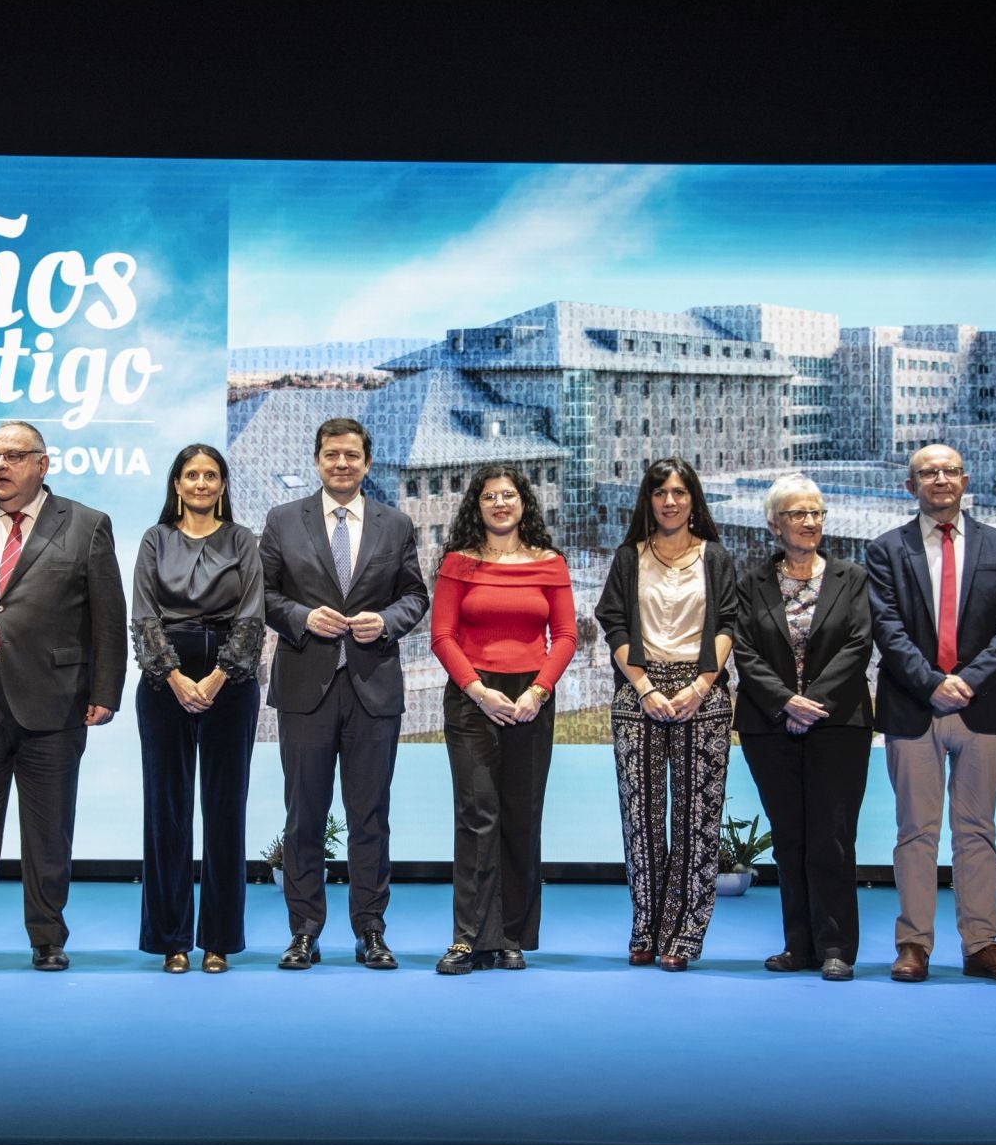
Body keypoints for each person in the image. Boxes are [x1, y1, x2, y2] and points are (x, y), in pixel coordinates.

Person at [0, 420, 126, 973]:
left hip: (55, 700)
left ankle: (47, 938)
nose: (0, 467)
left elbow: (109, 616)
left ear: (43, 463)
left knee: (48, 830)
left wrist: (106, 689)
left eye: (13, 456)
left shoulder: (86, 524)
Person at [260, 417, 429, 970]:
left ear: (367, 463)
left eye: (351, 455)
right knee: (303, 817)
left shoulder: (396, 524)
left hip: (372, 690)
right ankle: (304, 931)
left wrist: (384, 622)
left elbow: (415, 596)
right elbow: (260, 594)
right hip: (305, 686)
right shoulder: (283, 520)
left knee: (370, 817)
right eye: (331, 454)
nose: (341, 463)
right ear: (317, 460)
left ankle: (371, 931)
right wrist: (304, 616)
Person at [865, 444, 996, 984]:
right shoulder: (886, 549)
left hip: (979, 707)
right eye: (927, 473)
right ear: (909, 486)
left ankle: (981, 944)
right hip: (913, 706)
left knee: (977, 831)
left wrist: (967, 681)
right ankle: (913, 943)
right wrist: (933, 684)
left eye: (949, 471)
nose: (940, 479)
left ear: (965, 481)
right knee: (915, 831)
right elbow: (886, 628)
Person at [428, 465, 574, 975]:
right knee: (477, 815)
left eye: (508, 495)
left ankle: (510, 935)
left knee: (520, 816)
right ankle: (469, 938)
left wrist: (539, 690)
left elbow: (567, 635)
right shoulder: (458, 565)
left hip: (531, 698)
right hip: (473, 697)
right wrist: (477, 690)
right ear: (478, 506)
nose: (500, 503)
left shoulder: (550, 563)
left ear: (523, 503)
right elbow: (442, 635)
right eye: (489, 496)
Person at [594, 458, 737, 971]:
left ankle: (685, 933)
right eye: (660, 493)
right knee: (643, 820)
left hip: (702, 695)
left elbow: (727, 623)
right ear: (648, 501)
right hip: (641, 694)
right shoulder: (629, 557)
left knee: (697, 821)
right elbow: (613, 623)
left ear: (693, 498)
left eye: (679, 492)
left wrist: (701, 687)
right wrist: (646, 688)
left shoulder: (716, 558)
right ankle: (646, 926)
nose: (670, 501)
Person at [732, 473, 874, 981]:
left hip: (839, 724)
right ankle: (799, 945)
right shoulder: (750, 584)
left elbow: (859, 644)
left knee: (832, 837)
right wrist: (785, 702)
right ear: (774, 524)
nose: (810, 521)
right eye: (798, 513)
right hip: (769, 727)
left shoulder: (851, 578)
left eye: (816, 512)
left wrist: (811, 702)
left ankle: (836, 947)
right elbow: (743, 652)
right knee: (790, 837)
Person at [129, 444, 264, 974]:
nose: (202, 483)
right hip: (165, 683)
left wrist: (215, 678)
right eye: (192, 475)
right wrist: (176, 677)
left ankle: (219, 939)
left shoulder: (242, 540)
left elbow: (253, 616)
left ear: (223, 485)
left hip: (231, 680)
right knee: (167, 811)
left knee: (225, 811)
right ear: (177, 485)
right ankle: (172, 939)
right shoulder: (154, 539)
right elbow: (143, 617)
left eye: (211, 475)